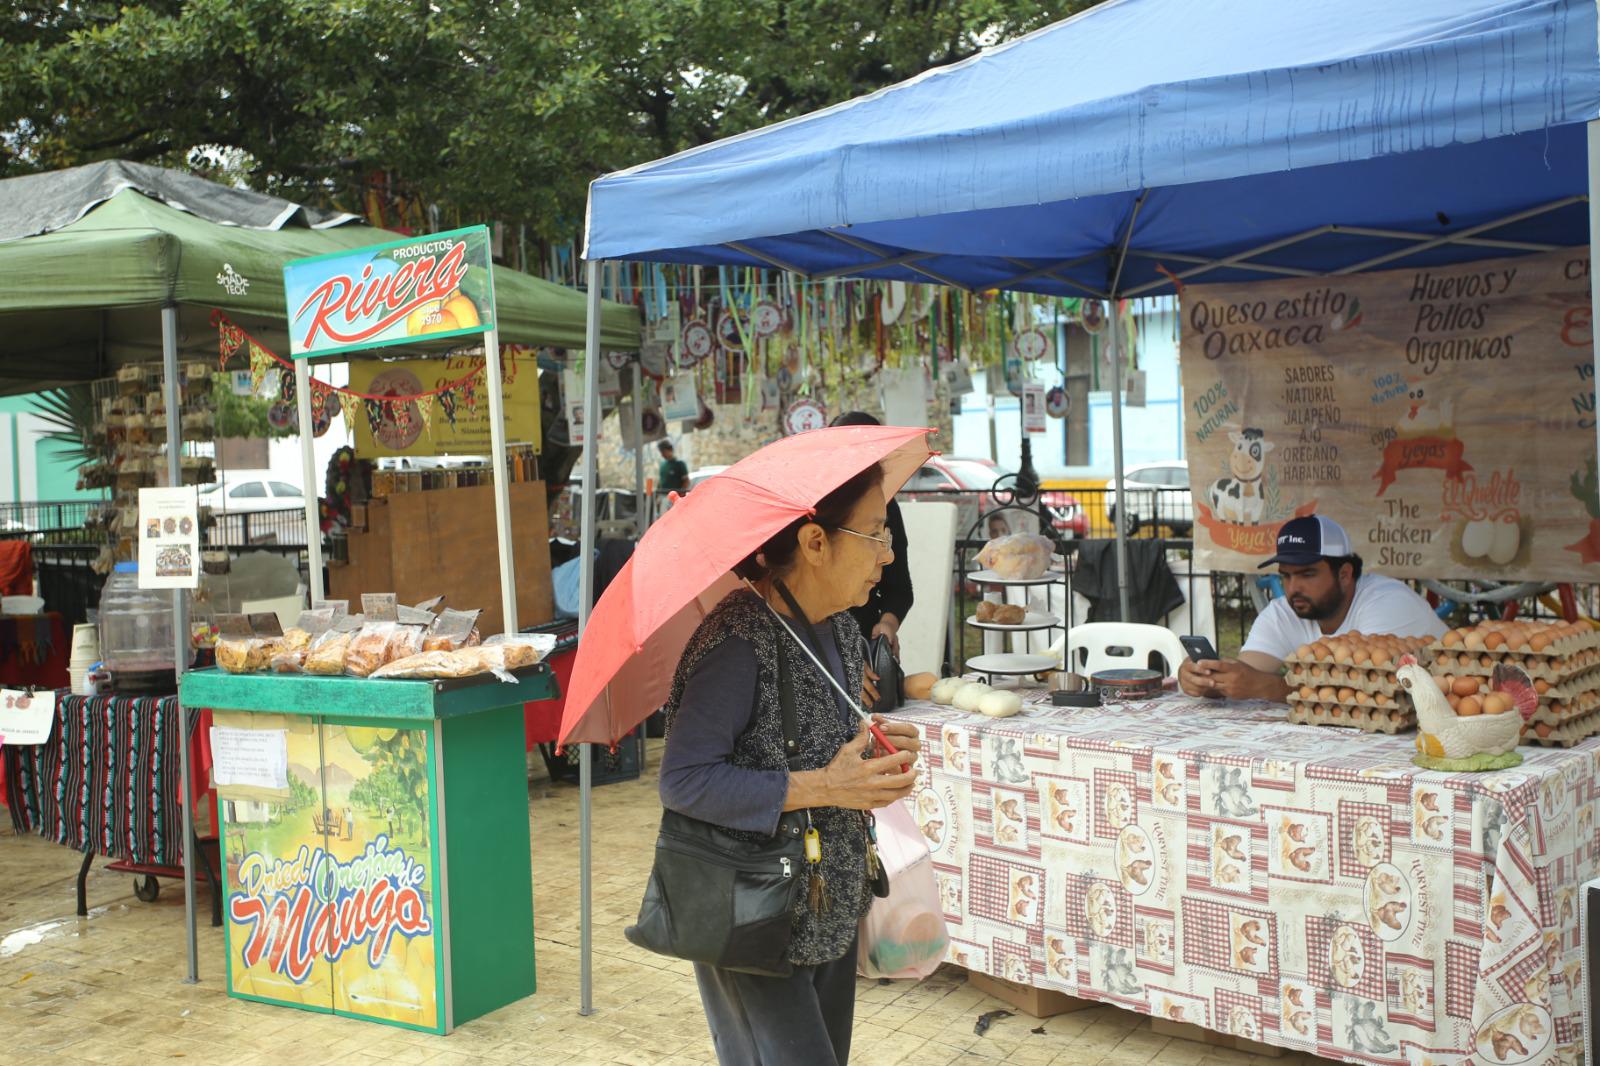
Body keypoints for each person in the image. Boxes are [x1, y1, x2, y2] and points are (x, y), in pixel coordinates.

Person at [658, 462, 923, 1066]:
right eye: (877, 533)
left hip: (827, 905)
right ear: (814, 542)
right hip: (752, 911)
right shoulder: (736, 640)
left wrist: (875, 750)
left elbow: (818, 741)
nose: (887, 555)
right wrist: (827, 784)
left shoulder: (842, 633)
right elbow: (683, 780)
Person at [1180, 514, 1447, 702]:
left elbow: (1362, 693)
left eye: (1307, 574)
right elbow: (1247, 671)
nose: (1293, 587)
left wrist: (1267, 687)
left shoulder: (1387, 602)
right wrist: (1208, 680)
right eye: (1286, 575)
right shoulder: (1285, 610)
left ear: (1344, 574)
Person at [830, 413, 913, 656]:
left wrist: (887, 624)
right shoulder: (815, 510)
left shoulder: (886, 505)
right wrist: (842, 663)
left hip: (865, 639)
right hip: (817, 649)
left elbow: (898, 587)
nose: (884, 557)